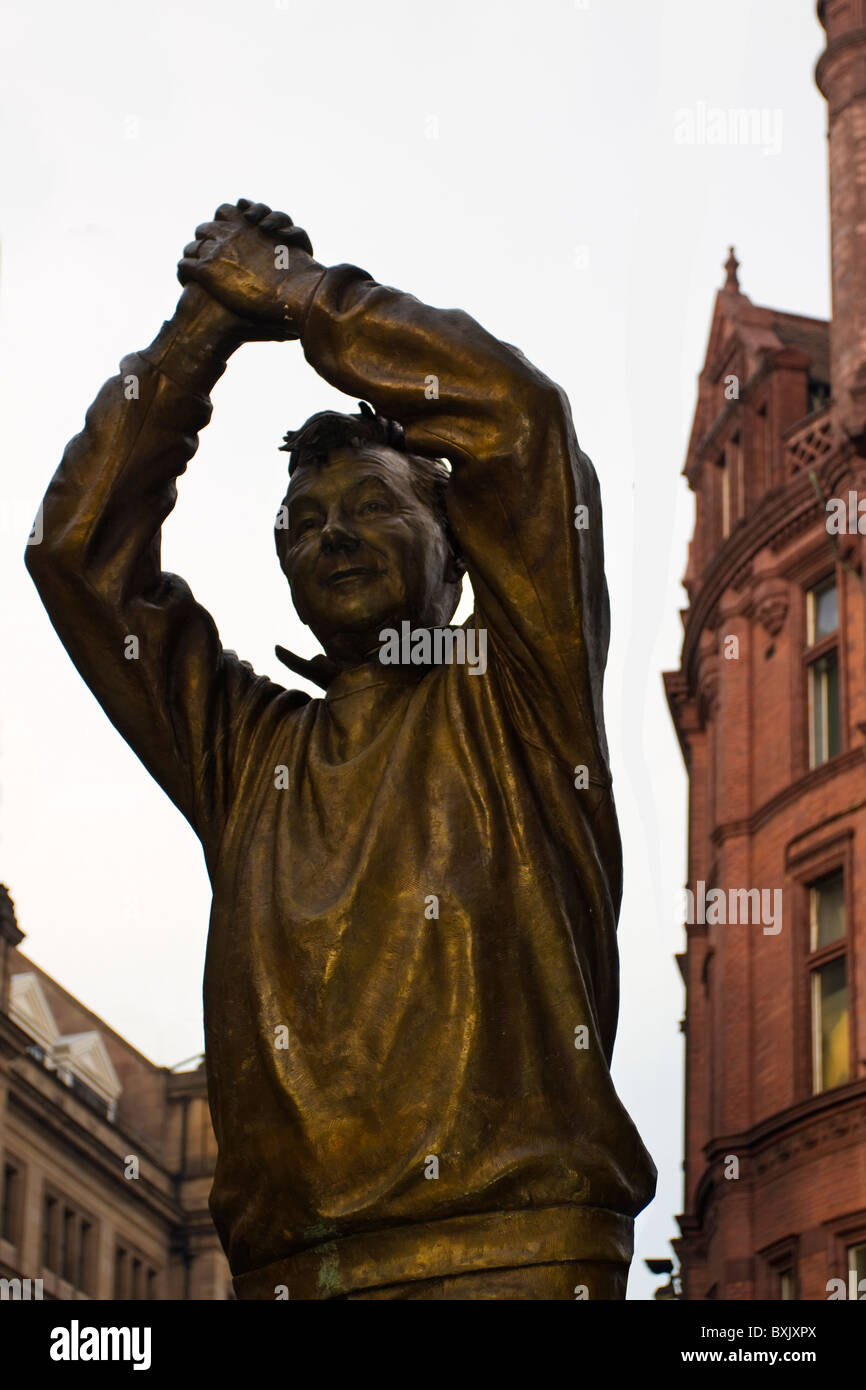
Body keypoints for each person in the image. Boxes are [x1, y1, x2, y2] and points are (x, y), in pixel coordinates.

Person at [26, 199, 656, 1299]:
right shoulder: (245, 752)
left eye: (373, 503)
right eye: (304, 522)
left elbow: (519, 426)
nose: (332, 534)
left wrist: (303, 296)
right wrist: (198, 335)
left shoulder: (516, 695)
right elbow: (81, 560)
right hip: (290, 1277)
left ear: (456, 557)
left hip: (517, 1262)